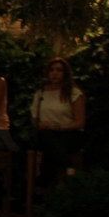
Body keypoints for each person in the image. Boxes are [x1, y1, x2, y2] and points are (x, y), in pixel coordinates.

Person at [31, 57, 86, 186]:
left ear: (65, 73)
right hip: (46, 134)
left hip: (68, 133)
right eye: (52, 70)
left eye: (59, 70)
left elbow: (80, 122)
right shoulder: (41, 93)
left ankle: (44, 182)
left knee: (50, 147)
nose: (54, 73)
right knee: (45, 136)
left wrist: (59, 127)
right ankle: (68, 165)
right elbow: (34, 118)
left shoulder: (73, 93)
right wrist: (39, 124)